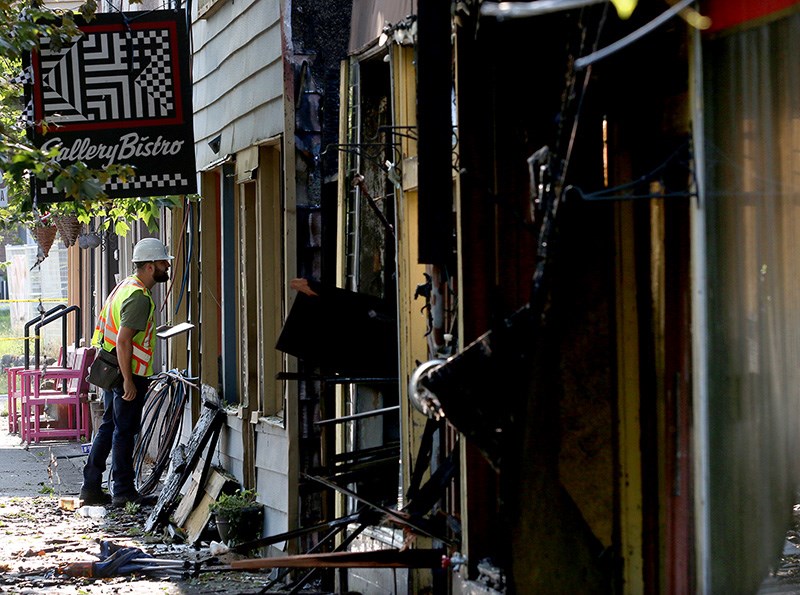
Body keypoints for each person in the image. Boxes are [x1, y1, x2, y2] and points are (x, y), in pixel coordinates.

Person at [80, 238, 173, 507]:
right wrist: (130, 382)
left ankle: (91, 487)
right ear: (148, 266)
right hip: (125, 374)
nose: (167, 265)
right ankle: (122, 490)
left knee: (109, 427)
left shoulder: (123, 286)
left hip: (110, 369)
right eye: (162, 262)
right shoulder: (138, 296)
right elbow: (124, 340)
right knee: (124, 431)